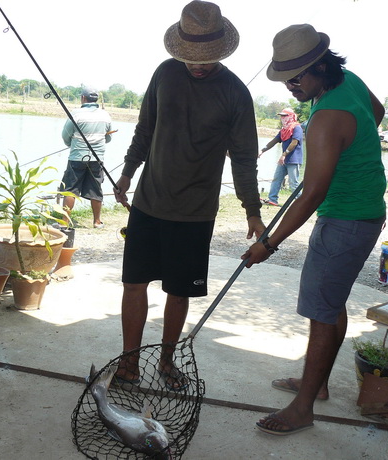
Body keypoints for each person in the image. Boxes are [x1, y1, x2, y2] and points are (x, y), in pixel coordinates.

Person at [112, 0, 265, 390]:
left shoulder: (235, 94)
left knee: (178, 293)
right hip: (148, 202)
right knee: (134, 284)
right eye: (191, 56)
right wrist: (127, 174)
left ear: (222, 51)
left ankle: (165, 362)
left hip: (195, 212)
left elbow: (244, 158)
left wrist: (252, 209)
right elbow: (144, 129)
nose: (198, 64)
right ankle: (129, 363)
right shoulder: (165, 74)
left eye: (207, 58)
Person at [243, 24, 387, 435]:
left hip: (345, 219)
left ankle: (303, 407)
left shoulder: (326, 118)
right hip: (361, 211)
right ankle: (317, 382)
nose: (290, 85)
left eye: (297, 76)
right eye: (285, 77)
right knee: (330, 303)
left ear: (321, 66)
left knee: (321, 311)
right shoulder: (347, 83)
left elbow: (310, 196)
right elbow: (374, 115)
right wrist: (350, 149)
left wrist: (268, 244)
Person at [60, 87, 113, 229]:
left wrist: (70, 144)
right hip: (97, 158)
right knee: (96, 189)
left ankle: (64, 222)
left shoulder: (76, 114)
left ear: (83, 98)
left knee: (70, 190)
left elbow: (65, 135)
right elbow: (108, 138)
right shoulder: (105, 115)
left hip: (77, 157)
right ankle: (97, 222)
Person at [259, 108, 303, 206]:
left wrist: (284, 154)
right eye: (281, 116)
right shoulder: (283, 130)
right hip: (283, 160)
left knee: (293, 183)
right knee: (277, 179)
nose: (282, 118)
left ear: (291, 116)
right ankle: (272, 199)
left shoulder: (297, 128)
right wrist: (262, 150)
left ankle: (302, 203)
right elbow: (274, 141)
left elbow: (294, 142)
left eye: (285, 116)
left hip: (293, 160)